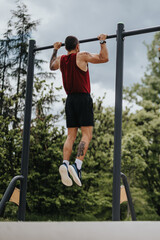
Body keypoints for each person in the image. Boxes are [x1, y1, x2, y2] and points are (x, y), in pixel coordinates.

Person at [49, 34, 109, 187]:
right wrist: (102, 41)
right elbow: (104, 58)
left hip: (70, 100)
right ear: (77, 46)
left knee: (71, 136)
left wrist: (55, 50)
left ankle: (64, 163)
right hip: (83, 98)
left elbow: (51, 66)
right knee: (87, 135)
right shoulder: (81, 56)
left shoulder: (61, 60)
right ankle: (77, 165)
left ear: (65, 47)